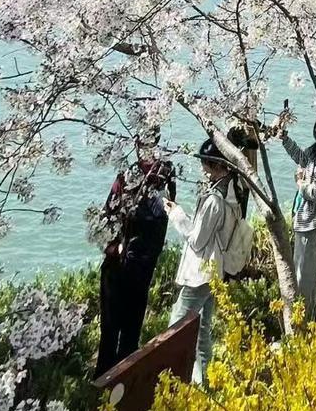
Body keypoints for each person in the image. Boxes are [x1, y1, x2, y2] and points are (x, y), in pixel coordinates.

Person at [163, 137, 242, 384]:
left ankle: (167, 380)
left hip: (201, 273)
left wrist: (176, 214)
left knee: (176, 326)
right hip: (215, 272)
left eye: (205, 164)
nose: (202, 169)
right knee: (202, 331)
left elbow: (197, 239)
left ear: (216, 166)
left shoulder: (214, 201)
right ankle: (203, 382)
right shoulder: (232, 193)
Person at [94, 142, 176, 377]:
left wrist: (114, 248)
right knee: (127, 335)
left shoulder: (143, 177)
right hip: (137, 266)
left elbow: (108, 214)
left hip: (126, 267)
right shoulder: (163, 177)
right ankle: (121, 388)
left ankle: (108, 388)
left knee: (113, 335)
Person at [279, 111, 316, 320]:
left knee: (305, 276)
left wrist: (301, 185)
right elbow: (300, 158)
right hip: (302, 220)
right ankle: (302, 316)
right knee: (300, 270)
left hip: (312, 223)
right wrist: (284, 138)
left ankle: (304, 319)